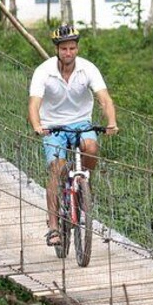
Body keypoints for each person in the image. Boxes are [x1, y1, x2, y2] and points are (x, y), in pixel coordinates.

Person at [28, 23, 118, 247]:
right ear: (56, 50)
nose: (68, 53)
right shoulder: (44, 71)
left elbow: (104, 99)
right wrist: (38, 125)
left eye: (72, 48)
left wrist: (111, 122)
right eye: (63, 49)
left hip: (81, 123)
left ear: (77, 48)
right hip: (53, 126)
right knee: (56, 170)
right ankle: (53, 227)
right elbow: (33, 104)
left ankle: (84, 185)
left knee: (91, 148)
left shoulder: (88, 69)